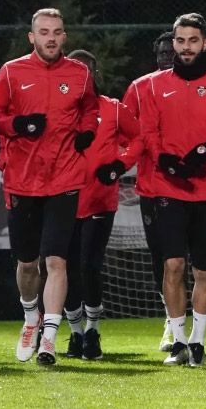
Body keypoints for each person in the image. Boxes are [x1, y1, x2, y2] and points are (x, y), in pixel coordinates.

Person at [0, 8, 99, 365]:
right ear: (31, 37)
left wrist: (87, 131)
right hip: (23, 180)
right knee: (27, 263)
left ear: (65, 36)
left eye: (57, 31)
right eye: (44, 32)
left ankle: (50, 337)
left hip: (64, 179)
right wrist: (18, 124)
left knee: (57, 259)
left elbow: (90, 108)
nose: (51, 38)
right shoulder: (11, 72)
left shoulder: (79, 73)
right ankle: (30, 318)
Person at [134, 14, 206, 367]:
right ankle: (178, 341)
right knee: (173, 264)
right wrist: (165, 160)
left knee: (204, 270)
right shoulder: (152, 86)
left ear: (205, 43)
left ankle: (198, 342)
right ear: (173, 43)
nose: (187, 47)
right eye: (181, 41)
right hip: (168, 187)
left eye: (193, 40)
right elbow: (148, 131)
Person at [62, 50, 140, 361]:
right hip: (63, 200)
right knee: (65, 268)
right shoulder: (61, 109)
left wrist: (119, 166)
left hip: (98, 199)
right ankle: (74, 333)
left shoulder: (113, 108)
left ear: (94, 74)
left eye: (88, 70)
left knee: (89, 266)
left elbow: (139, 139)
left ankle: (92, 330)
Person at [121, 30, 176, 353]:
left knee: (197, 260)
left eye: (174, 50)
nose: (169, 57)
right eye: (163, 53)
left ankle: (192, 328)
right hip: (154, 188)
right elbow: (127, 134)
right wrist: (123, 160)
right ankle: (171, 319)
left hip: (199, 188)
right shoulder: (140, 88)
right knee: (162, 258)